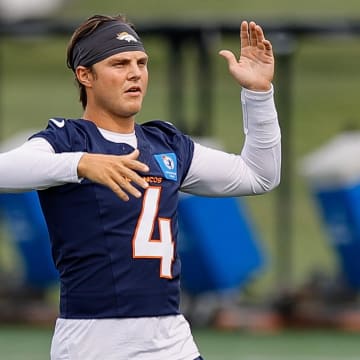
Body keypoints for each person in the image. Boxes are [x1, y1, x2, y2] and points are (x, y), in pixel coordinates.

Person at [0, 14, 281, 360]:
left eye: (141, 63)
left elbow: (259, 175)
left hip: (171, 342)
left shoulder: (165, 144)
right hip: (93, 343)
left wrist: (258, 94)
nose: (135, 73)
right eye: (119, 63)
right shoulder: (67, 140)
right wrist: (80, 163)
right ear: (85, 75)